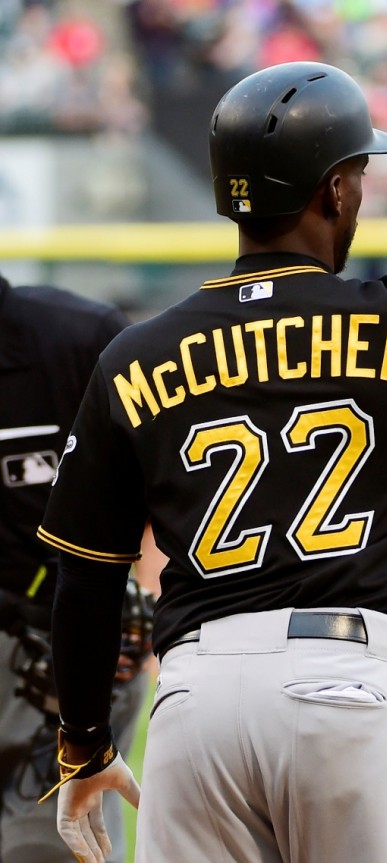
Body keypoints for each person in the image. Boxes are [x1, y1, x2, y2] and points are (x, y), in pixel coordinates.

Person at [37, 46, 387, 863]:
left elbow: (86, 578)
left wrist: (84, 744)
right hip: (344, 683)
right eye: (358, 173)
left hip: (195, 701)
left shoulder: (133, 355)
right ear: (334, 189)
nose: (362, 190)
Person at [0, 274, 157, 863]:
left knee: (46, 850)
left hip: (52, 648)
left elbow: (164, 475)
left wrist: (137, 596)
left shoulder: (76, 338)